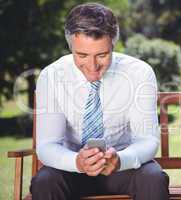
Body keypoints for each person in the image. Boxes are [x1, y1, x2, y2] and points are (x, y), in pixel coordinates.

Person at [30, 3, 169, 200]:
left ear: (113, 44)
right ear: (71, 47)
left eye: (102, 55)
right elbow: (47, 145)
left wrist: (120, 160)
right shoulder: (51, 76)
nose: (92, 66)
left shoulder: (139, 73)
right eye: (82, 55)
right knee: (45, 182)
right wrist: (77, 162)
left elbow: (147, 140)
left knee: (154, 178)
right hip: (71, 167)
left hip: (122, 167)